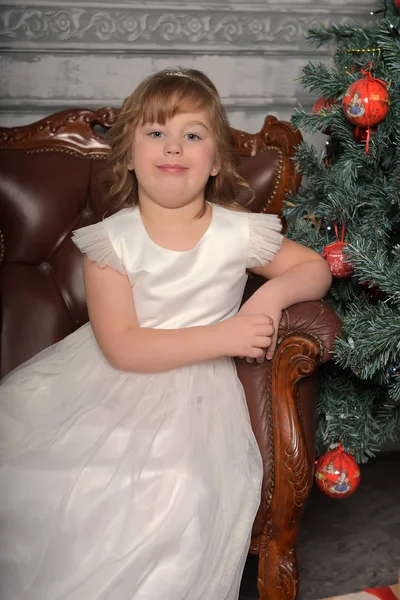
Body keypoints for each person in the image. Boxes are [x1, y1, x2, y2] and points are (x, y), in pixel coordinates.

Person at [0, 67, 332, 600]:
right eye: (156, 133)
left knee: (178, 488)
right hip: (104, 384)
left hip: (195, 401)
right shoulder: (111, 242)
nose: (173, 147)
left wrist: (268, 297)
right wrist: (226, 336)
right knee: (48, 474)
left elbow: (314, 267)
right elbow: (124, 346)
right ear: (129, 156)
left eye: (192, 135)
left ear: (217, 160)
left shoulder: (234, 231)